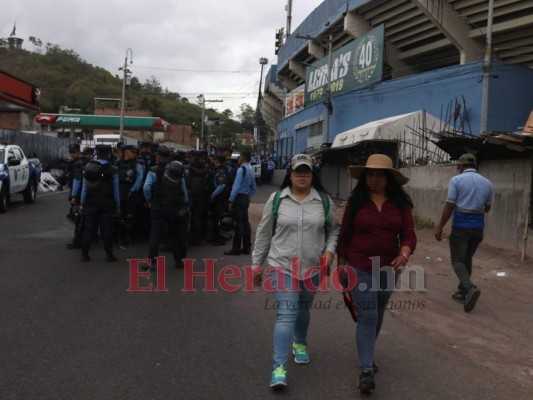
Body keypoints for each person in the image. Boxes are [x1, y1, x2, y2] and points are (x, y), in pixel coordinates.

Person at [252, 154, 340, 389]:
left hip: (313, 268)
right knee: (286, 313)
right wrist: (256, 264)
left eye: (306, 172)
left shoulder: (323, 201)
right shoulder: (277, 199)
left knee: (303, 309)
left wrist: (330, 252)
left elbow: (334, 230)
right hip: (281, 266)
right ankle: (279, 367)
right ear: (290, 174)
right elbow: (263, 233)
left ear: (312, 175)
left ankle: (300, 342)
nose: (302, 175)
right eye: (298, 171)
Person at [337, 153, 417, 394]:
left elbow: (409, 235)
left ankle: (368, 354)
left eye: (378, 175)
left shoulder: (400, 204)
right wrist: (341, 266)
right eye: (369, 175)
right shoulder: (356, 202)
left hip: (388, 269)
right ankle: (366, 370)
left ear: (388, 179)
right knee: (368, 315)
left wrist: (404, 254)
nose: (373, 179)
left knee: (379, 310)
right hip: (358, 265)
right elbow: (344, 235)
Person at [435, 153, 493, 313]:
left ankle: (469, 288)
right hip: (478, 227)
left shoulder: (457, 180)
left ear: (461, 167)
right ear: (475, 166)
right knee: (467, 258)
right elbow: (487, 208)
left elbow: (450, 205)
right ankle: (462, 292)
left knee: (457, 260)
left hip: (461, 226)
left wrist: (440, 226)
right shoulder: (488, 183)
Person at [143, 146, 189, 270]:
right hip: (174, 207)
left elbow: (146, 188)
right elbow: (183, 190)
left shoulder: (153, 171)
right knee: (174, 234)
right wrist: (184, 203)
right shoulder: (177, 170)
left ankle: (152, 263)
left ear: (157, 156)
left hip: (158, 207)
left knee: (155, 236)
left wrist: (149, 201)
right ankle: (178, 261)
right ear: (169, 158)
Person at [79, 145, 121, 262]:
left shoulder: (88, 167)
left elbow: (84, 188)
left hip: (91, 202)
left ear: (96, 153)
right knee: (106, 230)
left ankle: (84, 254)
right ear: (108, 155)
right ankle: (109, 255)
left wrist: (82, 203)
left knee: (89, 229)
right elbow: (116, 190)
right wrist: (117, 206)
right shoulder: (113, 170)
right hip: (107, 203)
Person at [224, 151, 257, 255]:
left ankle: (236, 249)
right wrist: (247, 196)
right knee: (245, 223)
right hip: (245, 198)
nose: (238, 160)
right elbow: (254, 188)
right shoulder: (250, 170)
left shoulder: (240, 169)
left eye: (239, 158)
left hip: (238, 198)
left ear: (242, 158)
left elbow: (236, 186)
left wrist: (231, 199)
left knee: (238, 224)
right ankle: (247, 247)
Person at [115, 145, 145, 245]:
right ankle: (119, 235)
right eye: (134, 152)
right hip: (118, 191)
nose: (136, 154)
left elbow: (140, 178)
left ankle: (128, 236)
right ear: (127, 152)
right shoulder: (117, 163)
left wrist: (132, 190)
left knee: (130, 215)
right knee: (118, 214)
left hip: (131, 193)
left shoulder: (137, 164)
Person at [66, 143, 87, 249]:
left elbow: (77, 180)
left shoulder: (78, 164)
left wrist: (74, 196)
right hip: (81, 193)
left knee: (77, 217)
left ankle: (78, 241)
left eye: (74, 152)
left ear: (79, 152)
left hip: (78, 194)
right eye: (71, 152)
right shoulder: (78, 162)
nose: (72, 154)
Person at [209, 155, 230, 246]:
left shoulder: (220, 171)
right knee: (215, 219)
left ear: (217, 161)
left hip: (220, 199)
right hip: (218, 199)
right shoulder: (218, 170)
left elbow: (222, 185)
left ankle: (220, 239)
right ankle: (215, 237)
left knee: (219, 219)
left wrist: (213, 195)